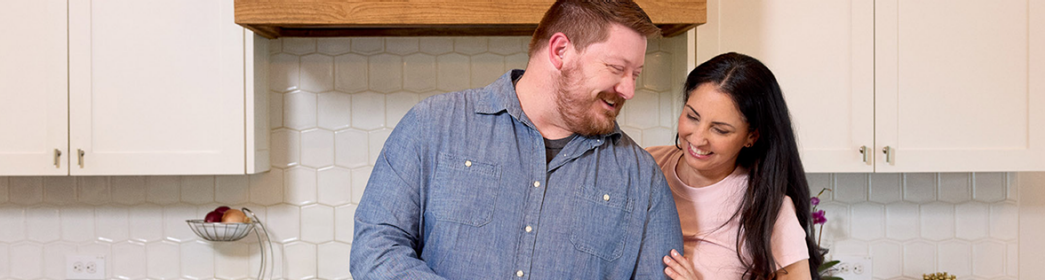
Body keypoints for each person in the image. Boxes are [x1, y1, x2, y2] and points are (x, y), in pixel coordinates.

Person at [349, 0, 683, 279]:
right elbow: (376, 249)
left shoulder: (641, 177)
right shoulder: (434, 125)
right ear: (560, 50)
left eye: (635, 75)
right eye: (616, 68)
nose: (629, 90)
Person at [645, 53, 825, 280]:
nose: (698, 138)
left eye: (720, 130)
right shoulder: (646, 167)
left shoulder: (767, 207)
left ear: (752, 136)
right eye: (692, 116)